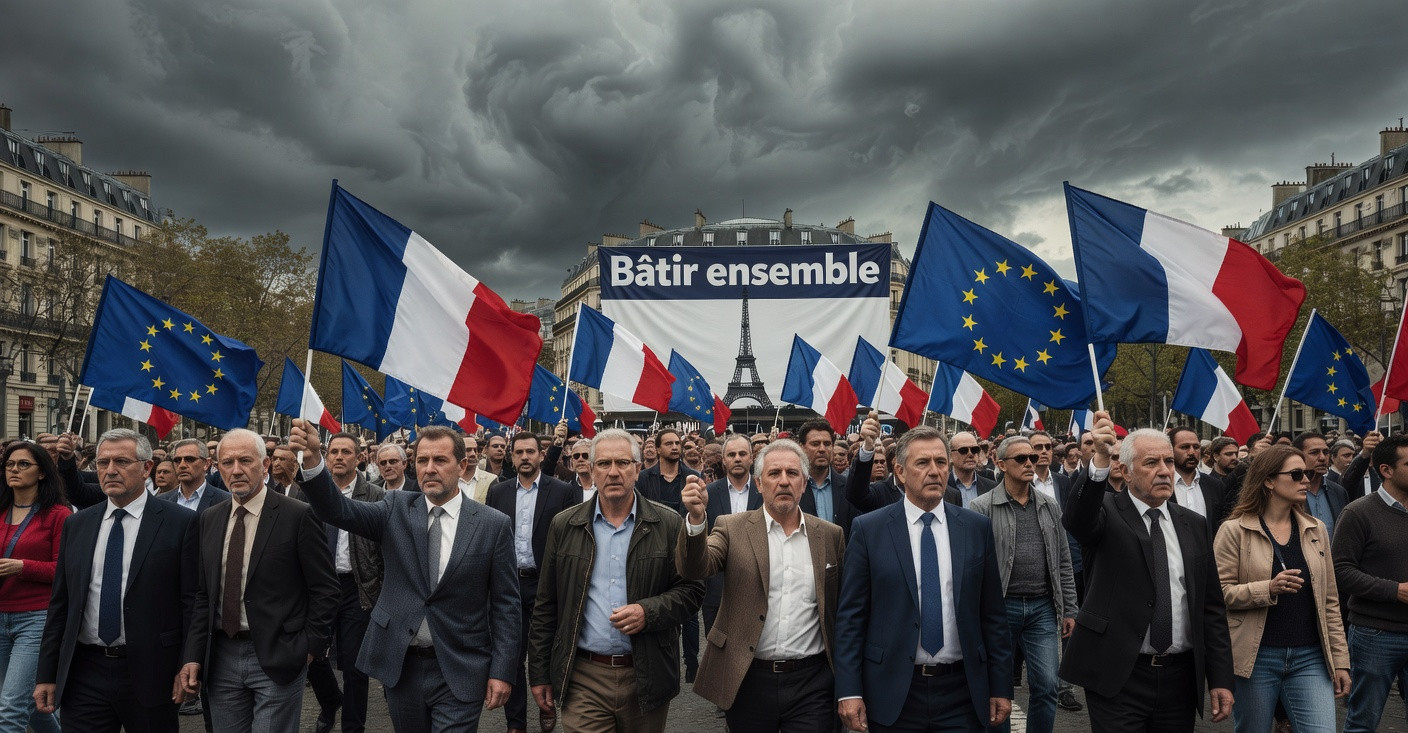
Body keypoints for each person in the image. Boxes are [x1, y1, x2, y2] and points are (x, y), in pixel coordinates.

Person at [290, 420, 519, 733]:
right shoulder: (395, 508)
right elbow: (338, 511)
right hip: (401, 664)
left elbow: (506, 605)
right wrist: (315, 460)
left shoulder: (493, 524)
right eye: (422, 460)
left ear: (462, 464)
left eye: (440, 460)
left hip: (460, 666)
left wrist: (503, 670)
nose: (429, 469)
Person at [1061, 415, 1235, 731]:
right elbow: (1077, 518)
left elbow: (1210, 607)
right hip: (1118, 674)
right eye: (1151, 462)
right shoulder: (1106, 512)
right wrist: (1100, 458)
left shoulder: (1193, 524)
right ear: (1125, 472)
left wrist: (1221, 678)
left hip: (1179, 679)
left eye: (1168, 461)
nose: (1165, 470)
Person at [835, 425, 1013, 732]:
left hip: (963, 692)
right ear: (900, 472)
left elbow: (993, 615)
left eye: (941, 462)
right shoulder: (869, 530)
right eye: (923, 463)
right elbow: (851, 618)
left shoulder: (975, 528)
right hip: (893, 692)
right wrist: (849, 690)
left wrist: (1000, 685)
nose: (935, 471)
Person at [528, 429, 704, 733]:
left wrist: (647, 612)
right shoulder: (565, 524)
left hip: (646, 672)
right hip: (584, 674)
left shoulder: (667, 523)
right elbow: (547, 604)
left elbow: (691, 591)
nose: (613, 472)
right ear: (590, 470)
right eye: (604, 464)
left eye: (622, 463)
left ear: (637, 470)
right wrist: (540, 673)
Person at [33, 428, 199, 732]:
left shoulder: (181, 522)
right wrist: (47, 673)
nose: (110, 470)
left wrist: (187, 662)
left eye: (121, 462)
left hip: (152, 670)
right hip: (85, 671)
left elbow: (192, 601)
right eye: (102, 462)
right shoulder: (77, 524)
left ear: (147, 467)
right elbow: (61, 605)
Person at [177, 429, 339, 733]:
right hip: (221, 657)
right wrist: (193, 655)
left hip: (279, 655)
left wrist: (309, 647)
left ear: (265, 465)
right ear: (217, 467)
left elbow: (325, 588)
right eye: (227, 462)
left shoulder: (297, 515)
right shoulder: (209, 519)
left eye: (245, 460)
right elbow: (203, 595)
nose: (236, 470)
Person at [676, 439, 845, 732]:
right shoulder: (732, 527)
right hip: (748, 678)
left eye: (792, 474)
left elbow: (841, 606)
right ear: (758, 483)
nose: (783, 481)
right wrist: (695, 519)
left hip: (812, 682)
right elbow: (696, 567)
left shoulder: (830, 536)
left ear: (804, 483)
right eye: (774, 473)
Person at [1214, 445, 1350, 733]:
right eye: (1297, 474)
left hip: (1310, 655)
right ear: (1268, 480)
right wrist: (1268, 588)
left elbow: (1329, 602)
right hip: (1257, 657)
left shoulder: (1316, 529)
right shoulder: (1234, 530)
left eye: (1308, 474)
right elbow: (1220, 594)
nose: (1306, 480)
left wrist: (1340, 661)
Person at [969, 436, 1077, 733]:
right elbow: (974, 567)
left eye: (1032, 456)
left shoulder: (1050, 505)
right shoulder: (982, 507)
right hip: (1000, 607)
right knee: (999, 688)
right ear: (1001, 464)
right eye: (1021, 459)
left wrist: (1070, 608)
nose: (1031, 462)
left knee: (1047, 685)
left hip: (1042, 607)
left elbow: (1063, 560)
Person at [486, 432, 582, 733]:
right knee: (511, 653)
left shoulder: (562, 491)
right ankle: (515, 723)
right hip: (509, 584)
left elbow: (570, 538)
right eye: (519, 452)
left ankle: (547, 704)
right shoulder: (498, 492)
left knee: (547, 650)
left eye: (531, 452)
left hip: (546, 583)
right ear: (511, 457)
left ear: (541, 455)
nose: (525, 457)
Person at [299, 433, 386, 733]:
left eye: (346, 452)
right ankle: (329, 701)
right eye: (333, 451)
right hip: (318, 589)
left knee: (354, 667)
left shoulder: (375, 495)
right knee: (309, 655)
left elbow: (382, 549)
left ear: (359, 457)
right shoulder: (308, 493)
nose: (338, 457)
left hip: (357, 589)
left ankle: (353, 726)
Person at [1332, 432, 1408, 731]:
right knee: (1364, 719)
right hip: (1375, 634)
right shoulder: (1358, 512)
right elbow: (1341, 570)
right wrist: (1394, 591)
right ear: (1386, 470)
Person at [0, 441, 69, 733]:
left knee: (9, 710)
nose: (14, 469)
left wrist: (22, 566)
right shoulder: (0, 510)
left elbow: (65, 570)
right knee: (31, 706)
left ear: (42, 472)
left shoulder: (58, 515)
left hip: (37, 618)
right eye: (9, 464)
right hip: (1, 614)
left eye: (23, 464)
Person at [633, 428, 703, 680]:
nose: (675, 447)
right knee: (657, 605)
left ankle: (692, 665)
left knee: (690, 612)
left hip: (685, 548)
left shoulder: (694, 477)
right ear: (659, 449)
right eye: (669, 443)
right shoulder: (643, 478)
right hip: (653, 550)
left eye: (678, 443)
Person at [696, 435, 761, 646]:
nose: (737, 458)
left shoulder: (765, 491)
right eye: (731, 454)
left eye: (742, 454)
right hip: (717, 590)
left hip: (759, 587)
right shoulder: (709, 494)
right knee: (718, 654)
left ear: (751, 458)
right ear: (723, 460)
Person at [795, 421, 856, 538]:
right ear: (802, 447)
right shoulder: (793, 486)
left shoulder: (848, 486)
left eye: (827, 444)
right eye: (815, 444)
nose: (822, 449)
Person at [1167, 426, 1227, 531]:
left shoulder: (1215, 486)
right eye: (1185, 447)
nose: (1191, 452)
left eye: (1196, 447)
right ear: (1170, 450)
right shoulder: (1162, 484)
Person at [1291, 432, 1348, 537]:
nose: (1322, 458)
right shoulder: (1289, 492)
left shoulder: (1338, 492)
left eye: (1326, 452)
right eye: (1314, 452)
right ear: (1298, 456)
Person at [161, 439, 231, 516]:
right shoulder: (161, 501)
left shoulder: (225, 501)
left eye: (190, 459)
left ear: (206, 464)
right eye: (177, 460)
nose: (182, 465)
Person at [948, 431, 997, 508]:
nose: (970, 454)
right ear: (950, 456)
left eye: (974, 450)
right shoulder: (941, 488)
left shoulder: (992, 488)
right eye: (963, 450)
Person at [461, 435, 499, 503]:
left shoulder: (491, 480)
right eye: (468, 450)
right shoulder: (449, 478)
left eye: (475, 450)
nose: (473, 454)